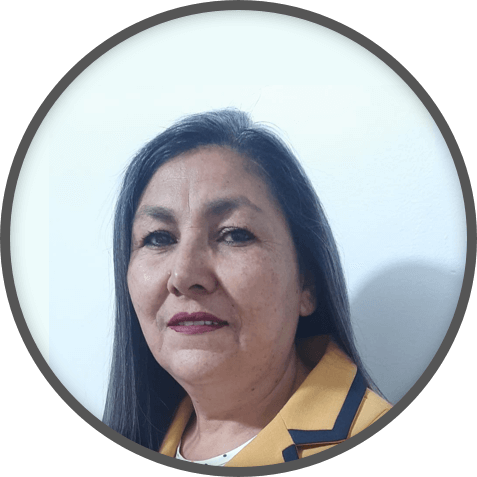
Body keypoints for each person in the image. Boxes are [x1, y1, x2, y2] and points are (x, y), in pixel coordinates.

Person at [102, 108, 392, 466]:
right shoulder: (146, 436)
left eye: (235, 234)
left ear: (307, 282)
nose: (184, 275)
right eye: (159, 238)